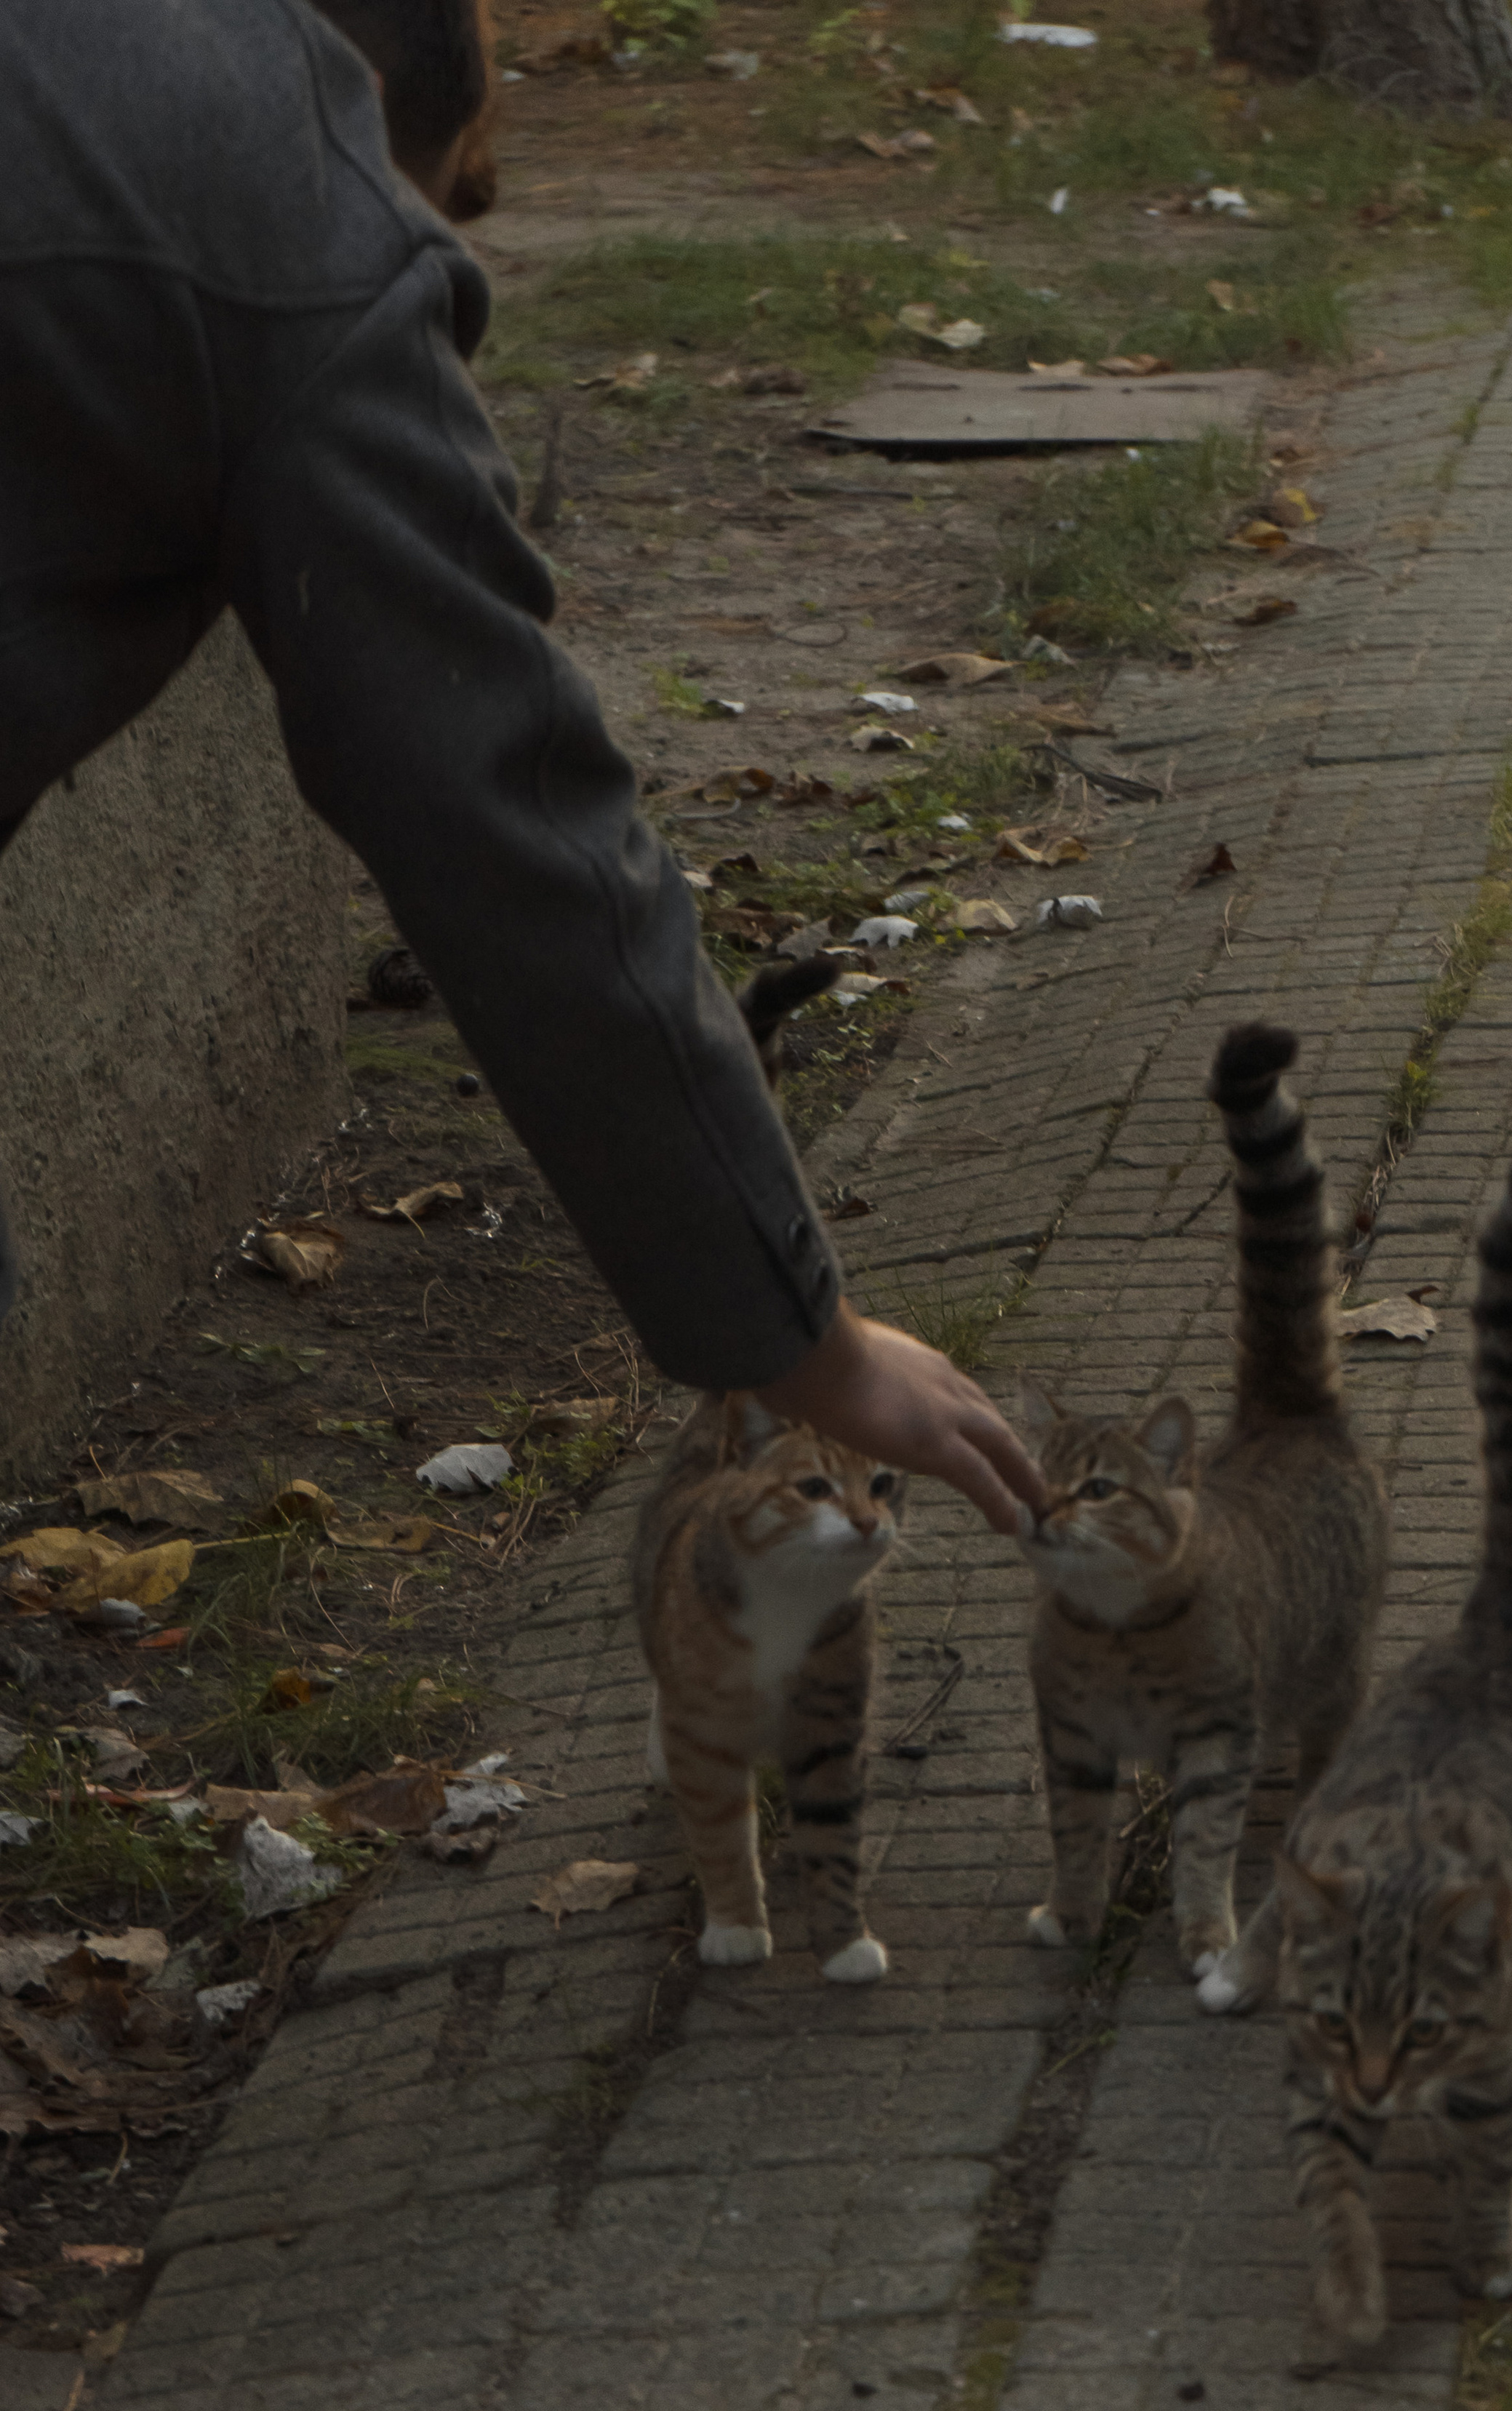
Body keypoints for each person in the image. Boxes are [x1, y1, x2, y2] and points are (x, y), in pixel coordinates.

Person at [0, 0, 1045, 1535]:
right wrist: (801, 1338)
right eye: (455, 202)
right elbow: (505, 814)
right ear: (383, 108)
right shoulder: (292, 200)